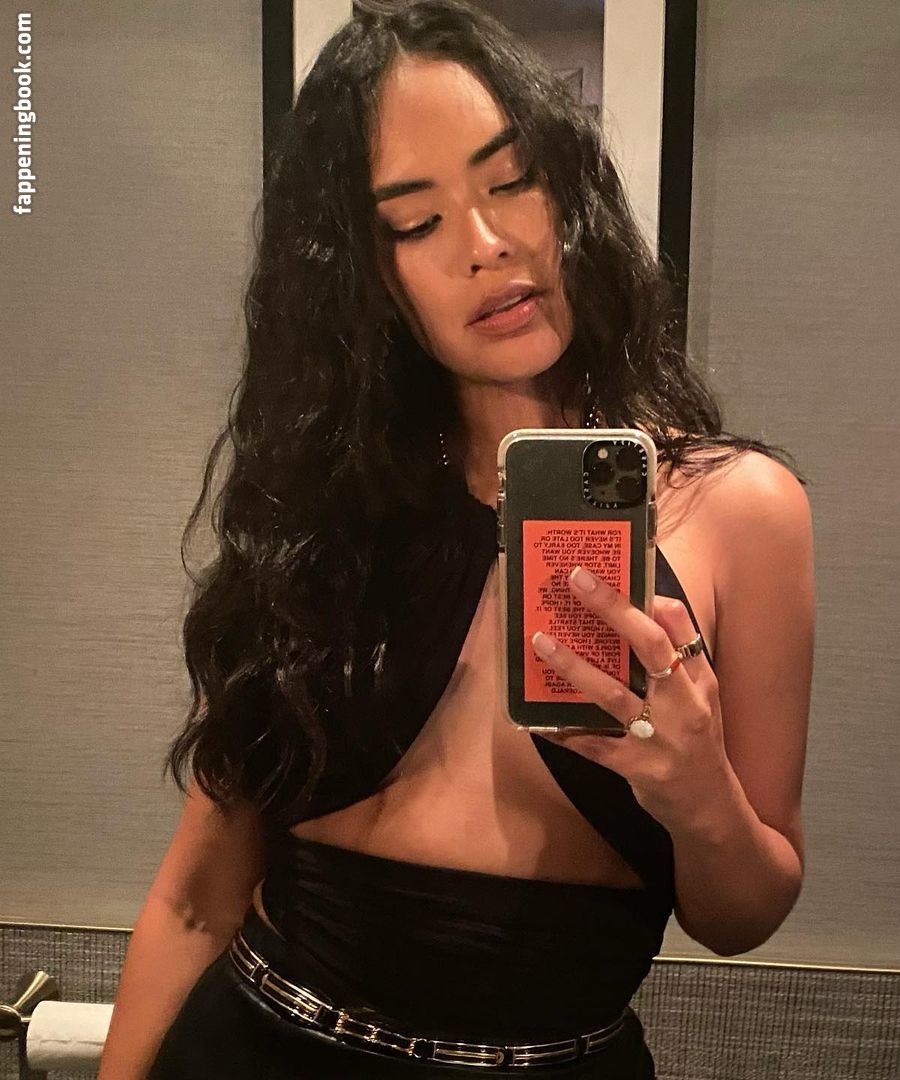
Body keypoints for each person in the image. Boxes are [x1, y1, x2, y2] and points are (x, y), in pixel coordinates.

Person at [98, 1, 814, 1076]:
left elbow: (741, 916)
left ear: (567, 188)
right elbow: (197, 898)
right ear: (361, 273)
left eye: (511, 179)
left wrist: (702, 797)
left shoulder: (745, 510)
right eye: (415, 222)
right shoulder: (327, 506)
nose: (488, 246)